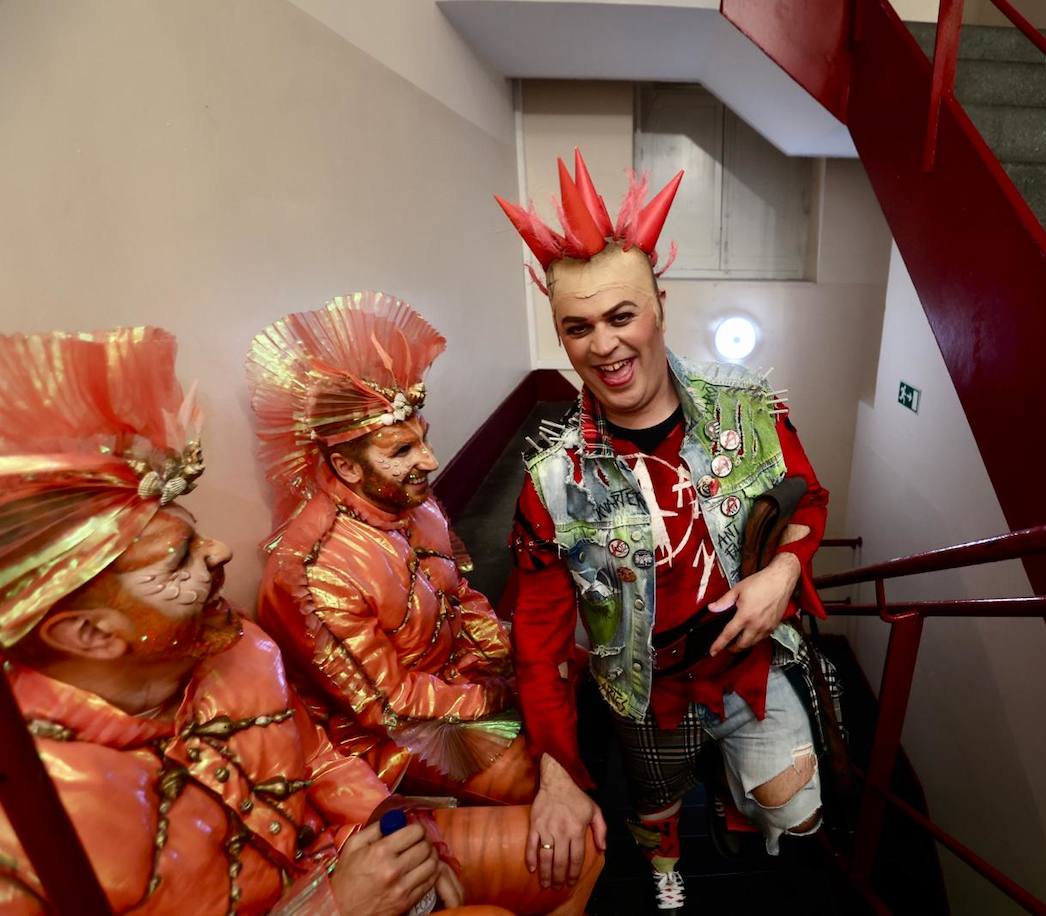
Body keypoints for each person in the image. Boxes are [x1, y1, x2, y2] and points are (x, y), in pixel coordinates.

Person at [0, 327, 463, 915]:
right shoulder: (29, 826)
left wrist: (389, 830)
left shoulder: (238, 643)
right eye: (179, 560)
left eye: (197, 536)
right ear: (88, 634)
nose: (220, 552)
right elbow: (387, 702)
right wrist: (332, 907)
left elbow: (317, 757)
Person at [497, 151, 832, 910]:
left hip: (748, 669)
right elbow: (539, 640)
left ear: (660, 306)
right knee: (654, 804)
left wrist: (782, 575)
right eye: (577, 328)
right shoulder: (552, 481)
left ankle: (740, 814)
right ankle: (663, 870)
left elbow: (807, 500)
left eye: (621, 316)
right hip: (642, 692)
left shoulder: (749, 407)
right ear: (560, 334)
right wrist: (557, 759)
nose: (605, 346)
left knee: (796, 809)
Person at [248, 293, 536, 805]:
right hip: (392, 734)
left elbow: (460, 593)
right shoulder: (316, 572)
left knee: (567, 671)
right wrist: (491, 697)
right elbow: (387, 704)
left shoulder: (414, 504)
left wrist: (505, 660)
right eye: (402, 451)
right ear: (346, 468)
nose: (430, 460)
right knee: (527, 773)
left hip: (461, 677)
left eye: (423, 439)